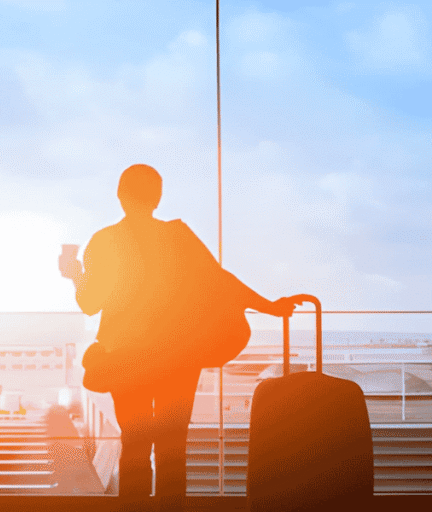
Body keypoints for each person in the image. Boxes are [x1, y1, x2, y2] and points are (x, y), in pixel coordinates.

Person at [61, 164, 294, 511]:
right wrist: (270, 307)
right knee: (173, 445)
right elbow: (221, 281)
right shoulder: (177, 236)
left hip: (127, 356)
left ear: (120, 195)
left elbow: (89, 304)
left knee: (136, 443)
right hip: (178, 354)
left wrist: (74, 273)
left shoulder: (105, 240)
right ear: (158, 197)